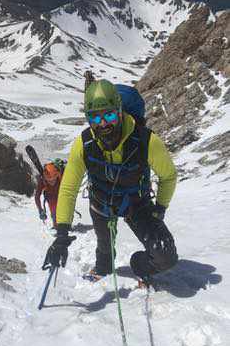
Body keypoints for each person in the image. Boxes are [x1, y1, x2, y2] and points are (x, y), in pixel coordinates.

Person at [43, 79, 178, 283]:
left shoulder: (145, 140)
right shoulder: (84, 143)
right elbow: (69, 188)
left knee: (165, 256)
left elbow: (168, 176)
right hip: (102, 203)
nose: (103, 123)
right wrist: (62, 234)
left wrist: (160, 208)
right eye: (95, 118)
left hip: (137, 204)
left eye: (109, 114)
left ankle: (140, 265)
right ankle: (103, 266)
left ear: (120, 110)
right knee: (104, 246)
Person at [35, 159, 65, 227]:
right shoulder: (42, 180)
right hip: (51, 198)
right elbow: (37, 196)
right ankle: (56, 225)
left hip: (62, 196)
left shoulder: (61, 176)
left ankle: (65, 224)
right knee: (54, 215)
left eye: (54, 179)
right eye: (49, 180)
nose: (51, 182)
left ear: (57, 175)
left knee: (65, 216)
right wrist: (40, 210)